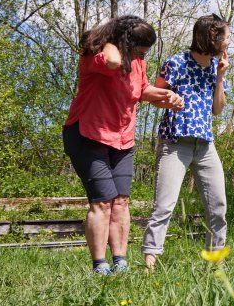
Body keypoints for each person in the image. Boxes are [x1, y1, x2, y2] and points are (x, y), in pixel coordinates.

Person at [62, 15, 184, 274]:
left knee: (121, 201)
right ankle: (99, 265)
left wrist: (166, 95)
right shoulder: (95, 55)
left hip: (122, 138)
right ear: (123, 42)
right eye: (140, 49)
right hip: (88, 134)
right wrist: (111, 40)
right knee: (102, 202)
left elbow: (142, 91)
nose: (143, 55)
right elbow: (112, 61)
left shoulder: (136, 61)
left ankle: (120, 262)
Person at [141, 14, 231, 270]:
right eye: (226, 35)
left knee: (218, 206)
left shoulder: (216, 66)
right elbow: (153, 95)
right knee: (164, 206)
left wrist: (221, 77)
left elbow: (217, 110)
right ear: (212, 37)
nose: (229, 41)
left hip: (205, 145)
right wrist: (169, 98)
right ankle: (149, 262)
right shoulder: (176, 62)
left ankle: (217, 263)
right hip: (175, 142)